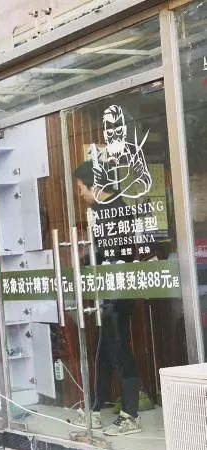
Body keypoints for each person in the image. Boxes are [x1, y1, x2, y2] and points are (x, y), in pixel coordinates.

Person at [73, 161, 142, 436]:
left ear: (94, 186)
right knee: (105, 350)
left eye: (81, 188)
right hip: (108, 289)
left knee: (119, 349)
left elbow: (110, 253)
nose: (80, 194)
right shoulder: (104, 210)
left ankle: (131, 415)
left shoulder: (114, 210)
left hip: (118, 291)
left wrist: (84, 259)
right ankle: (95, 409)